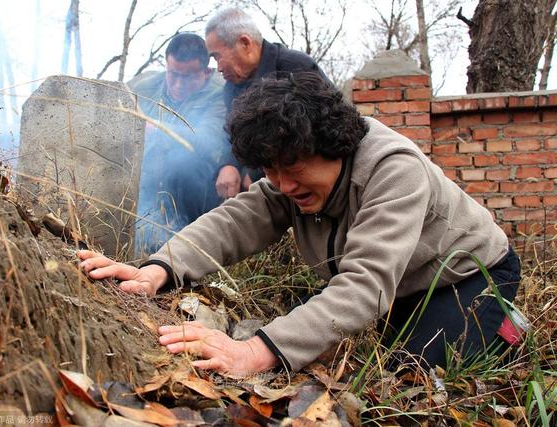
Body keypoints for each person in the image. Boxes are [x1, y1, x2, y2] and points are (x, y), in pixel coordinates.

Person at [80, 72, 520, 377]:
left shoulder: (394, 169)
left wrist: (255, 352)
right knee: (331, 335)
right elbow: (235, 220)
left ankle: (507, 326)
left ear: (334, 145)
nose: (282, 184)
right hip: (401, 282)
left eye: (291, 166)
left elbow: (365, 285)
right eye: (270, 168)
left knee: (417, 372)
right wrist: (158, 268)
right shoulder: (288, 179)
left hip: (468, 276)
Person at [206, 7, 330, 196]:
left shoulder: (295, 68)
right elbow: (233, 137)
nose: (218, 68)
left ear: (245, 44)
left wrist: (257, 173)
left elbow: (320, 132)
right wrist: (228, 165)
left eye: (217, 56)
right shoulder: (230, 88)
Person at [128, 33, 232, 255]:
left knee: (185, 166)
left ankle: (188, 249)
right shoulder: (144, 87)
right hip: (150, 177)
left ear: (207, 72)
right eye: (173, 74)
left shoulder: (221, 94)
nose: (178, 84)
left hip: (200, 186)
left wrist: (158, 129)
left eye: (188, 77)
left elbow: (207, 140)